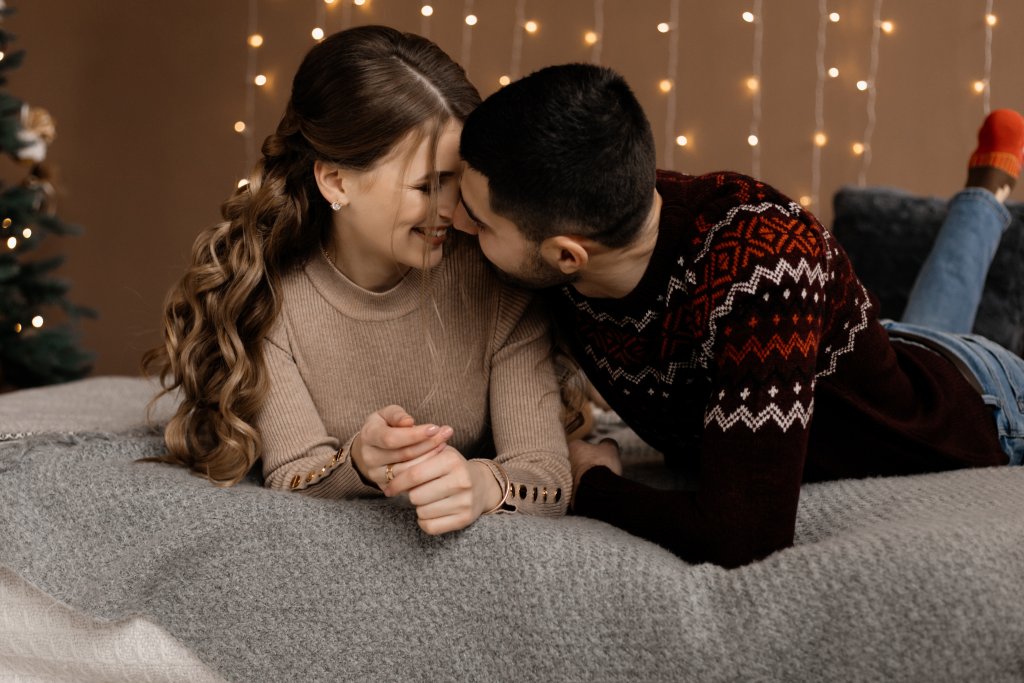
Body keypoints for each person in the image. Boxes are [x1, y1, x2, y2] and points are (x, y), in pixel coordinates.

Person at [454, 62, 1024, 568]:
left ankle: (987, 194)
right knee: (918, 327)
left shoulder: (763, 268)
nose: (459, 223)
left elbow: (743, 538)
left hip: (985, 402)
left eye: (479, 222)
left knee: (939, 341)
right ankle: (986, 190)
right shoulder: (588, 212)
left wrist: (592, 482)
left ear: (566, 254)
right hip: (842, 355)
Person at [143, 26, 572, 535]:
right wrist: (360, 463)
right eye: (426, 186)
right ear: (336, 180)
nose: (454, 209)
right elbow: (293, 473)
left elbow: (546, 476)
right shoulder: (271, 301)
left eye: (459, 180)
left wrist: (483, 486)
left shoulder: (496, 284)